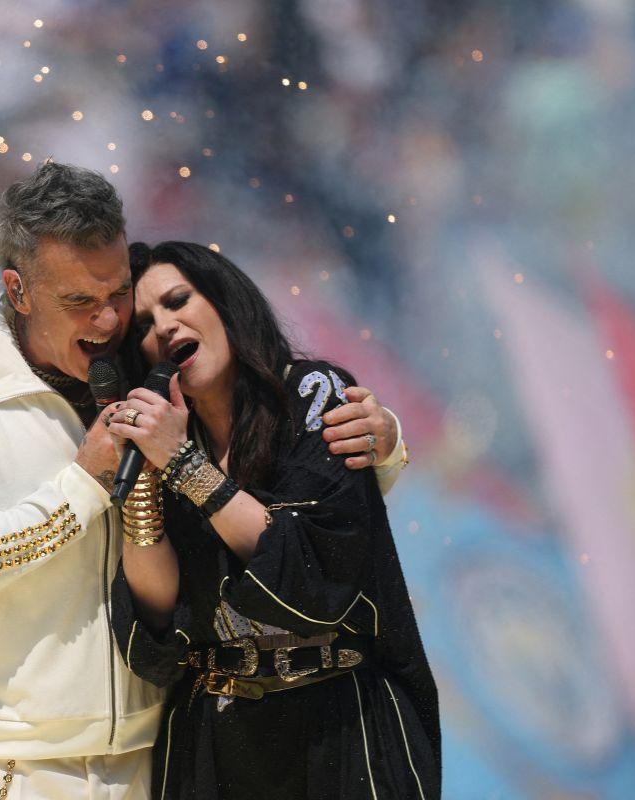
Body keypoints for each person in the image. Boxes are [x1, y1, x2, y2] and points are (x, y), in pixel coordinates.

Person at [0, 163, 411, 799]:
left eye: (117, 296)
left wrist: (381, 443)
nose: (107, 322)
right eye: (79, 301)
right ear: (18, 291)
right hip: (6, 764)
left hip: (150, 757)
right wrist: (83, 484)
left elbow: (282, 490)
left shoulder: (147, 375)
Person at [105, 241, 439, 799]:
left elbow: (310, 576)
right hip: (215, 737)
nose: (164, 327)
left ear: (224, 300)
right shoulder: (164, 441)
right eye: (143, 323)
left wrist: (186, 467)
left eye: (178, 300)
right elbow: (159, 626)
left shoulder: (313, 395)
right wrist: (145, 476)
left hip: (339, 729)